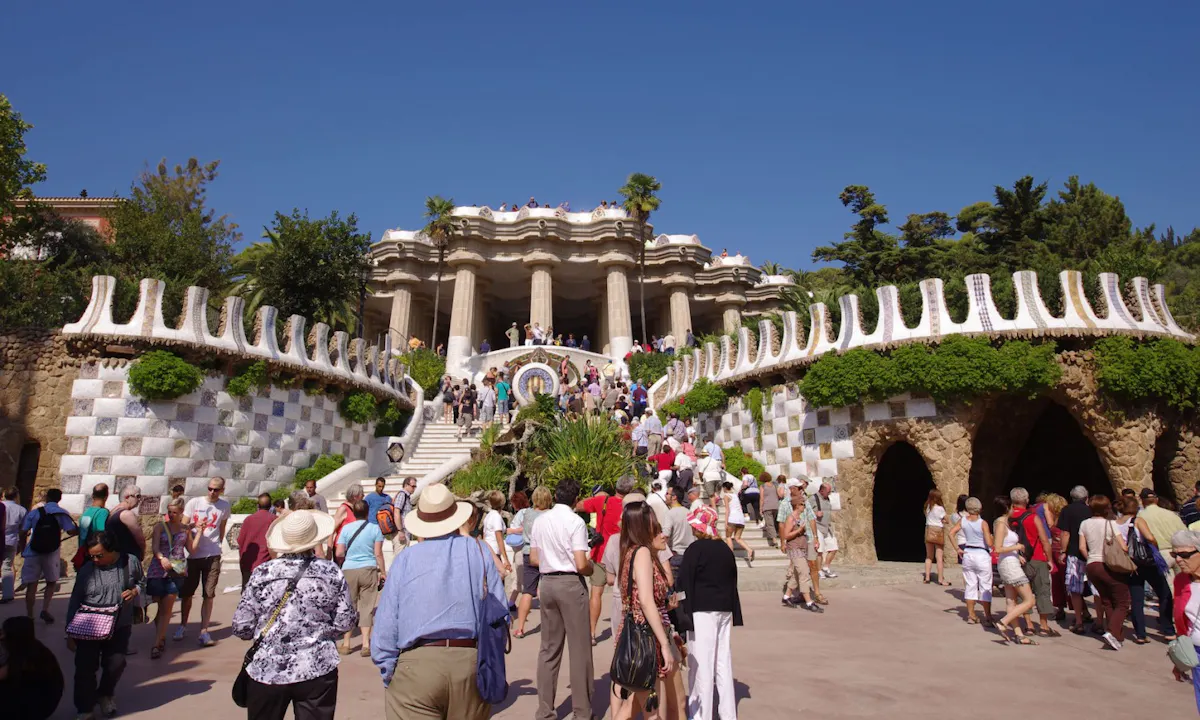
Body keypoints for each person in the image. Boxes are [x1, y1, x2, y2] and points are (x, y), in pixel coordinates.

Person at [374, 484, 506, 719]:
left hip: (415, 663)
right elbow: (500, 611)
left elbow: (386, 623)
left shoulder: (405, 559)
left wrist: (389, 670)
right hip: (469, 660)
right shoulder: (478, 550)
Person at [234, 510, 356, 720]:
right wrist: (321, 631)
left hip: (268, 668)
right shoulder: (331, 572)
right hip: (317, 665)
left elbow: (242, 626)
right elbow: (345, 621)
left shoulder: (263, 573)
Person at [531, 479, 595, 720]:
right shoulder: (575, 522)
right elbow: (580, 563)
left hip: (547, 582)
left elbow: (534, 559)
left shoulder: (541, 521)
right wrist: (590, 567)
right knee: (579, 650)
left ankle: (545, 710)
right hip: (569, 583)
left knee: (548, 649)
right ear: (576, 498)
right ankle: (582, 711)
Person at [610, 502, 678, 720]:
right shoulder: (641, 553)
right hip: (644, 637)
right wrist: (665, 644)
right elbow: (646, 601)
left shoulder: (632, 551)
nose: (656, 524)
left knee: (634, 706)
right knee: (651, 712)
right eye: (652, 520)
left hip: (639, 634)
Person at [67, 531, 144, 718]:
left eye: (99, 555)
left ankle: (105, 694)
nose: (95, 559)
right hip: (89, 624)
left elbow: (143, 581)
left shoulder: (130, 562)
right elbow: (75, 599)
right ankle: (85, 708)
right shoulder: (86, 570)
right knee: (85, 666)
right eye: (91, 556)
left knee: (116, 663)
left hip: (119, 624)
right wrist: (68, 632)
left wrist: (135, 591)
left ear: (113, 550)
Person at [677, 504, 741, 720]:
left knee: (701, 663)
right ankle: (728, 714)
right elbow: (733, 580)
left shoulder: (695, 550)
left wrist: (680, 613)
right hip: (724, 609)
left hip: (702, 610)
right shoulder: (725, 549)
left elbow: (684, 582)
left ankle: (700, 714)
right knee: (723, 660)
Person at [576, 476, 631, 645]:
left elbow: (579, 506)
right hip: (623, 553)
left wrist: (598, 496)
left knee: (596, 593)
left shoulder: (603, 501)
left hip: (601, 553)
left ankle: (592, 633)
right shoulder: (631, 505)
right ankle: (624, 631)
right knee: (626, 594)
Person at [179, 477, 230, 647]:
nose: (212, 492)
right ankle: (183, 625)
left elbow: (222, 527)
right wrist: (195, 525)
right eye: (210, 488)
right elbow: (182, 527)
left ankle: (204, 631)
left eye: (216, 489)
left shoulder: (224, 506)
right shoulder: (194, 503)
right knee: (187, 593)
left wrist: (218, 544)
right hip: (193, 554)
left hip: (213, 554)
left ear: (222, 490)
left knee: (209, 594)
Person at [147, 497, 200, 659]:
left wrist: (199, 534)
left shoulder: (185, 530)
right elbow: (155, 546)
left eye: (175, 512)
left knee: (167, 608)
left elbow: (192, 550)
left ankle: (157, 643)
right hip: (158, 570)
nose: (171, 515)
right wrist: (161, 557)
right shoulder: (160, 527)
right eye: (169, 512)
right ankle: (161, 636)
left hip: (176, 571)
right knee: (159, 607)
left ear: (181, 513)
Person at [1079, 495, 1131, 650]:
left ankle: (1117, 636)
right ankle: (1112, 632)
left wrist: (1090, 558)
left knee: (1107, 600)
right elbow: (1123, 546)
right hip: (1107, 565)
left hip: (1092, 565)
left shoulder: (1084, 524)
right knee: (1122, 602)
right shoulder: (1111, 524)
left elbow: (1082, 547)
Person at [335, 499, 386, 657]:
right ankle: (365, 643)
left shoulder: (346, 529)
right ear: (367, 512)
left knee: (350, 606)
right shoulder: (375, 529)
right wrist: (383, 571)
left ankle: (347, 642)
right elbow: (378, 553)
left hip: (349, 568)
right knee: (367, 607)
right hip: (368, 568)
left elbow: (338, 553)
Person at [20, 488, 78, 623]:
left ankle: (29, 614)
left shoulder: (34, 513)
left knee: (31, 584)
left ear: (47, 498)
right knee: (51, 581)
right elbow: (70, 531)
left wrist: (23, 548)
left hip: (33, 551)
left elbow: (23, 531)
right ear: (59, 499)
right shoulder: (61, 513)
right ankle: (45, 609)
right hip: (51, 552)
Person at [1008, 487, 1057, 638]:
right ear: (1027, 500)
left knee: (1023, 594)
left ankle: (1028, 625)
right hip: (1036, 558)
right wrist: (1049, 559)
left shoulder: (1007, 518)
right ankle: (1043, 626)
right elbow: (1044, 540)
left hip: (1018, 559)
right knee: (1042, 591)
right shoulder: (1032, 517)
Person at [992, 496, 1038, 644]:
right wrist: (1017, 547)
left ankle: (1019, 635)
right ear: (1007, 508)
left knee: (1011, 600)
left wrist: (1016, 556)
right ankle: (1003, 622)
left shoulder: (1005, 523)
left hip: (1011, 562)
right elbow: (997, 548)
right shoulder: (1000, 524)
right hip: (1009, 566)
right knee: (1029, 600)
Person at [0, 615, 64, 720]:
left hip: (34, 706)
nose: (2, 637)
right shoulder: (33, 647)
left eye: (4, 633)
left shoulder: (26, 657)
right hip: (43, 701)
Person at [1167, 530, 1200, 713]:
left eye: (1185, 555)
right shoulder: (1181, 581)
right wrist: (1180, 661)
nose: (1178, 560)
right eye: (1175, 555)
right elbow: (1181, 622)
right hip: (1196, 653)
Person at [948, 497, 994, 626]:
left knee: (970, 585)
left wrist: (957, 548)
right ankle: (988, 616)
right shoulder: (982, 523)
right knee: (985, 585)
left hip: (968, 553)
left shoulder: (963, 521)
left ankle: (971, 615)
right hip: (981, 554)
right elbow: (989, 542)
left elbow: (951, 533)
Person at [513, 487, 551, 638]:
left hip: (529, 552)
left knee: (527, 591)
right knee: (547, 589)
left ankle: (520, 628)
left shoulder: (526, 513)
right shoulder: (550, 515)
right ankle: (552, 625)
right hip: (546, 553)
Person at [1056, 485, 1095, 632]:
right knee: (1097, 588)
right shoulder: (1092, 510)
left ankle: (1079, 621)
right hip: (1093, 553)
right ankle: (1100, 623)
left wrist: (1063, 551)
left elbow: (1065, 533)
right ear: (1086, 497)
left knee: (1075, 588)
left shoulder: (1067, 510)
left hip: (1074, 553)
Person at [780, 483, 823, 612]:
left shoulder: (799, 517)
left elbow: (812, 519)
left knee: (796, 575)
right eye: (803, 504)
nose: (805, 506)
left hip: (802, 547)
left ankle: (786, 596)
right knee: (804, 573)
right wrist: (799, 530)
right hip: (795, 549)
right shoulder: (791, 518)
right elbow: (786, 534)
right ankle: (809, 602)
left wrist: (813, 536)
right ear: (797, 506)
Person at [238, 493, 276, 587]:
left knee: (247, 592)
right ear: (270, 506)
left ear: (258, 505)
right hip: (266, 563)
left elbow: (240, 540)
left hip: (248, 562)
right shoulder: (274, 520)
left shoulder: (249, 519)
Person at [481, 490, 514, 595]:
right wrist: (506, 559)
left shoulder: (489, 516)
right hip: (495, 552)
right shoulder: (496, 517)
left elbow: (485, 534)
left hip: (487, 551)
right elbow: (499, 538)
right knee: (498, 584)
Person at [106, 485, 146, 561]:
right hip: (128, 559)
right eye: (138, 496)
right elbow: (140, 539)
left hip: (116, 558)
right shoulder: (127, 514)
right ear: (127, 497)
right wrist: (142, 553)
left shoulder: (112, 513)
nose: (140, 499)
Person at [1, 487, 27, 604]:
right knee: (7, 566)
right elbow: (24, 528)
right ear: (16, 496)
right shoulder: (21, 510)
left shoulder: (2, 506)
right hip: (11, 540)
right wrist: (22, 543)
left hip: (2, 537)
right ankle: (8, 594)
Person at [720, 480, 754, 564]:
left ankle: (730, 556)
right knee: (737, 538)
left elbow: (727, 510)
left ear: (724, 488)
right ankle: (749, 550)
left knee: (728, 537)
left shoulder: (726, 496)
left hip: (732, 518)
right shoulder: (735, 496)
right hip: (740, 519)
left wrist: (726, 522)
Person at [810, 481, 838, 578]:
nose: (830, 493)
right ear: (822, 491)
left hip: (827, 527)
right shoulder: (813, 498)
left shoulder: (827, 499)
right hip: (818, 527)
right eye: (828, 491)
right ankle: (818, 571)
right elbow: (806, 511)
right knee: (820, 551)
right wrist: (815, 513)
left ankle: (825, 568)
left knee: (834, 547)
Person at [922, 489, 950, 586]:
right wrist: (943, 521)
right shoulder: (940, 509)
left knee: (929, 556)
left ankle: (927, 577)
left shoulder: (928, 508)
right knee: (939, 557)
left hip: (929, 530)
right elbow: (947, 520)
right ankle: (940, 579)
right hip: (938, 531)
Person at [76, 483, 110, 561]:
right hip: (96, 556)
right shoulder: (103, 512)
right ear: (106, 496)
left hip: (83, 553)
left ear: (92, 496)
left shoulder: (86, 512)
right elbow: (102, 535)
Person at [391, 476, 417, 552]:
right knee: (399, 559)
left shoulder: (406, 496)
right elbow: (396, 512)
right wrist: (400, 531)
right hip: (401, 533)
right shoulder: (402, 495)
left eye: (415, 486)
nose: (414, 488)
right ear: (406, 485)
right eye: (413, 486)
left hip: (405, 533)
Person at [758, 471, 780, 549]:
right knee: (774, 522)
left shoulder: (762, 486)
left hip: (767, 506)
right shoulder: (774, 485)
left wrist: (760, 508)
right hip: (776, 506)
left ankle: (774, 540)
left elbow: (762, 498)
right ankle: (776, 535)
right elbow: (779, 495)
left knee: (770, 524)